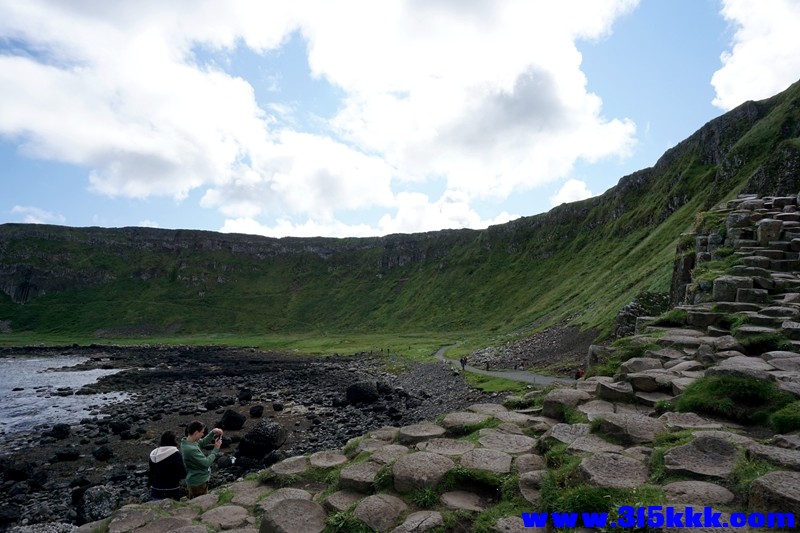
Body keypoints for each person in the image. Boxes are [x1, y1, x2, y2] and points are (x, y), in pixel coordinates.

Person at [180, 420, 223, 498]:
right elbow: (206, 463)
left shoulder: (188, 441)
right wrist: (216, 449)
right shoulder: (190, 449)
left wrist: (213, 432)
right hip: (198, 482)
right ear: (196, 433)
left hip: (195, 479)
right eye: (202, 432)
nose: (203, 434)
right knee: (200, 503)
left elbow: (202, 442)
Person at [149, 430, 187, 501]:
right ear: (173, 441)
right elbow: (183, 474)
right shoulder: (175, 454)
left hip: (155, 491)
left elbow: (151, 473)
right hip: (171, 491)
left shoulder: (153, 454)